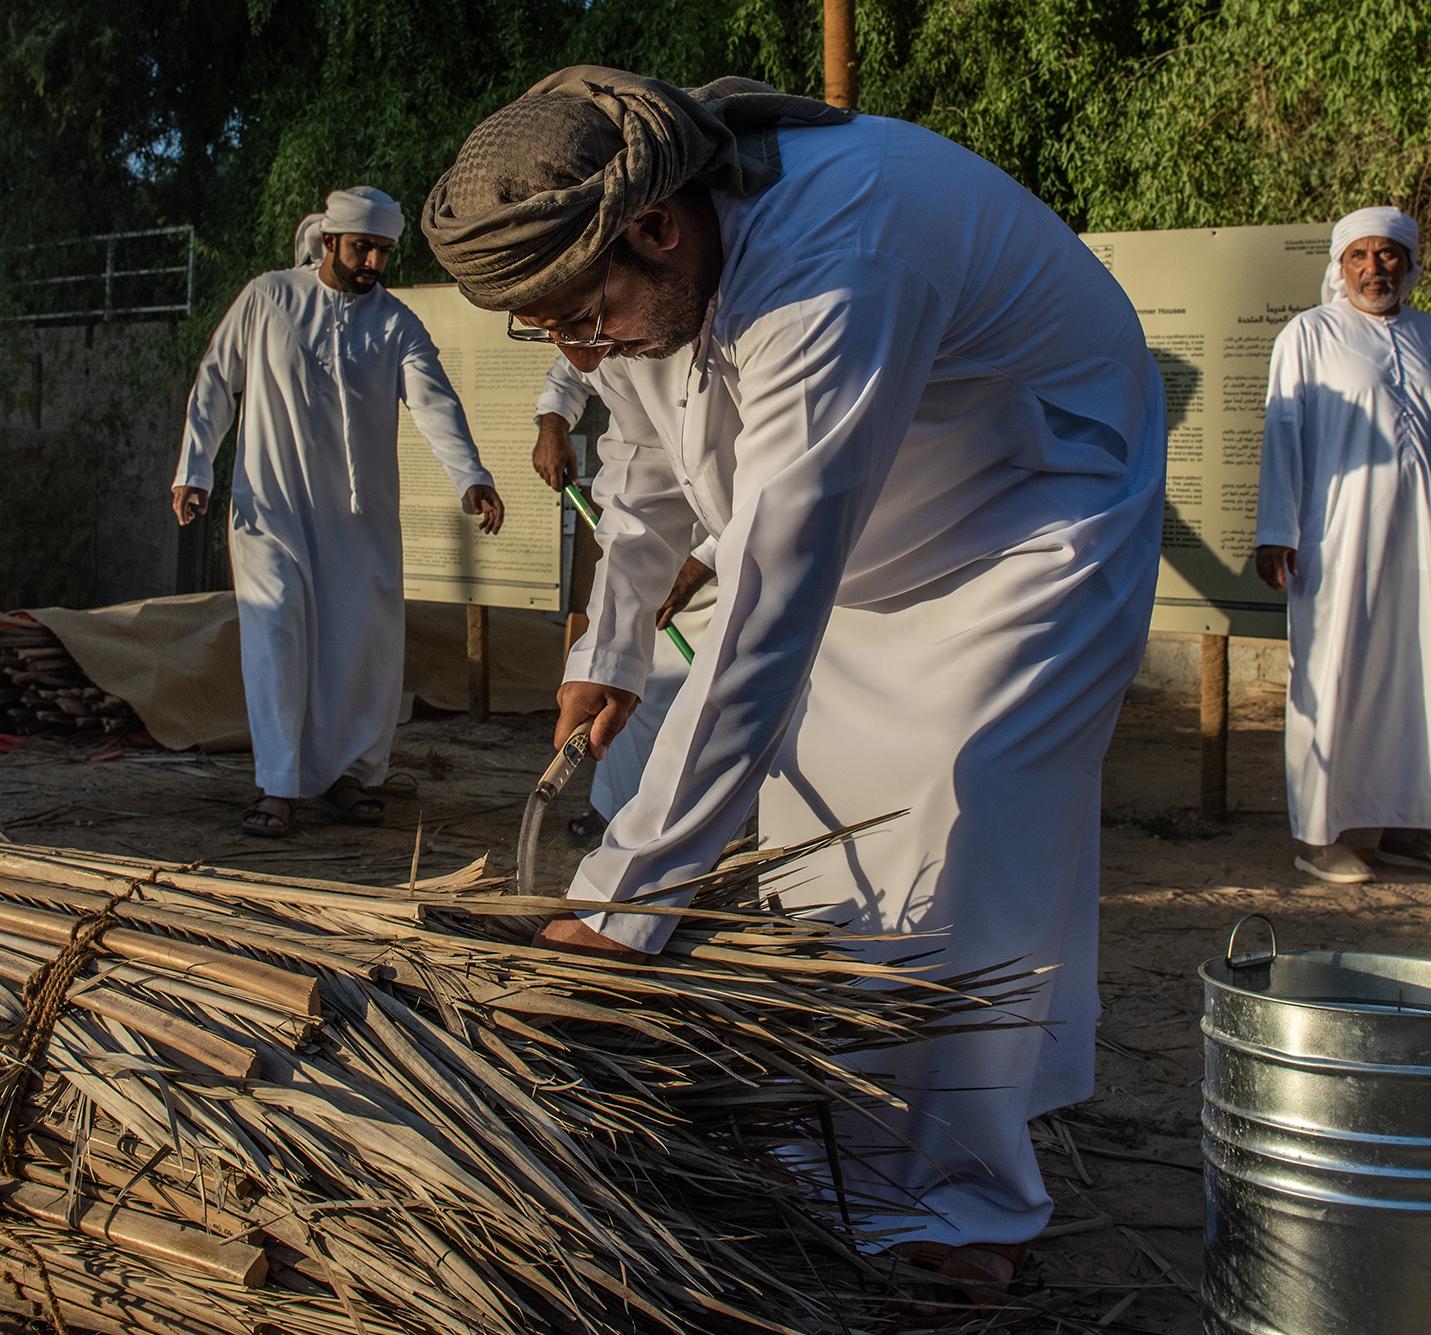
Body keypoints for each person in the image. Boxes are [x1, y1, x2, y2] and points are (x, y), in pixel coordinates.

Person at [423, 67, 1165, 1288]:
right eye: (549, 330)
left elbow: (764, 608)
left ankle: (951, 1217)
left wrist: (620, 910)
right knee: (828, 844)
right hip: (873, 542)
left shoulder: (839, 257)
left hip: (1029, 523)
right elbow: (649, 469)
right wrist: (607, 649)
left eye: (577, 317)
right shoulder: (652, 269)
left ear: (656, 226)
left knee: (951, 831)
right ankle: (849, 1137)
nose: (576, 349)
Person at [172, 186, 505, 839]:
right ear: (330, 242)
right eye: (363, 248)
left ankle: (353, 774)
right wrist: (193, 468)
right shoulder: (268, 298)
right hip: (272, 509)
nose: (374, 263)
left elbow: (434, 402)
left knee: (361, 647)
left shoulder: (395, 323)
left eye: (384, 250)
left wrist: (471, 477)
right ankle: (279, 785)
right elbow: (217, 379)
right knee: (276, 637)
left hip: (360, 522)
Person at [1254, 206, 1431, 885]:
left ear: (1410, 262)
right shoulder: (1309, 336)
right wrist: (1276, 530)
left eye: (1389, 255)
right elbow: (1284, 436)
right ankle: (1319, 833)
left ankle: (1415, 827)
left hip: (1429, 544)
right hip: (1339, 542)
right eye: (1361, 255)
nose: (1375, 268)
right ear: (1340, 265)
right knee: (1337, 675)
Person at [531, 354, 715, 840]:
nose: (568, 340)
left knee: (689, 699)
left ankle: (668, 827)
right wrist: (553, 429)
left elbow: (778, 481)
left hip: (728, 562)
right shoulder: (593, 339)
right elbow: (642, 460)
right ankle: (613, 808)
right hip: (655, 556)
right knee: (627, 684)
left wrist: (705, 559)